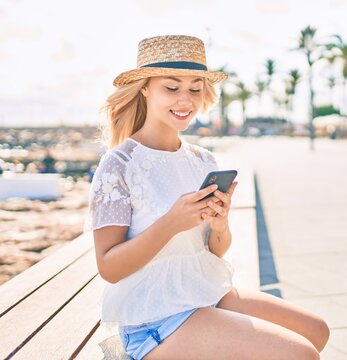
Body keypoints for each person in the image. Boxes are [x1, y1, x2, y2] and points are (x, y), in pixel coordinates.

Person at [88, 35, 329, 360]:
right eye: (171, 88)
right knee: (301, 354)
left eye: (195, 88)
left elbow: (214, 251)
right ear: (145, 88)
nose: (185, 100)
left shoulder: (202, 160)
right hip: (155, 318)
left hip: (203, 293)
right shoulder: (119, 164)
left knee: (316, 332)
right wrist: (172, 223)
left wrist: (219, 224)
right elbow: (109, 267)